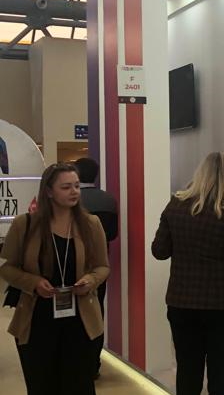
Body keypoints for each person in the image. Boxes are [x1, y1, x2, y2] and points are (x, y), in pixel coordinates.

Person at [151, 152, 224, 395]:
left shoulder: (175, 206)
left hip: (181, 304)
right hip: (223, 307)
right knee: (221, 375)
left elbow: (159, 251)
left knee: (187, 371)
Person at [0, 163, 110, 395]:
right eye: (66, 187)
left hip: (80, 320)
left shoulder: (91, 224)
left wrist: (91, 280)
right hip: (36, 320)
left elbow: (102, 267)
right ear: (49, 191)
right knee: (42, 386)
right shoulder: (25, 224)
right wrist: (33, 283)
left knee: (79, 386)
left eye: (77, 186)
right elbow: (7, 268)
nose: (74, 192)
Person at [74, 156, 118, 379]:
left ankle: (74, 362)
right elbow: (112, 234)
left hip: (71, 264)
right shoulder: (108, 200)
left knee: (71, 314)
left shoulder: (69, 200)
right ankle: (93, 364)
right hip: (99, 266)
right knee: (96, 311)